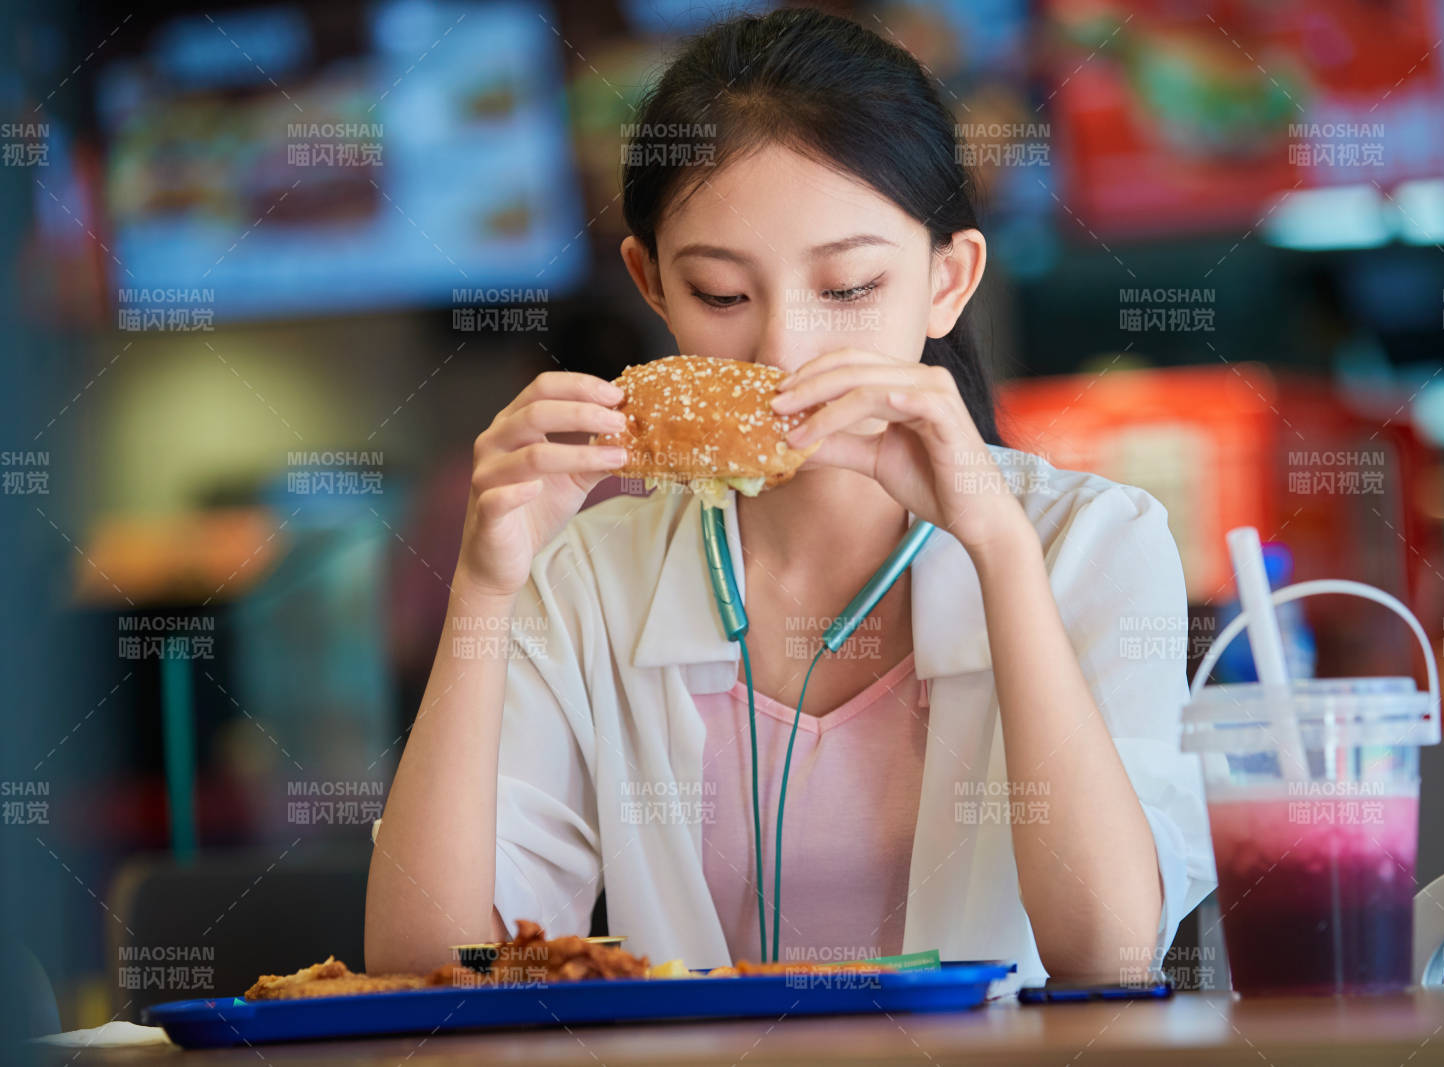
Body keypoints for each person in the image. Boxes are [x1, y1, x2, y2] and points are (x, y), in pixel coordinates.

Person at [366, 7, 1213, 983]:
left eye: (848, 286)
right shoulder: (589, 572)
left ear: (948, 280)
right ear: (651, 285)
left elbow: (1105, 950)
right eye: (723, 296)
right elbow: (431, 966)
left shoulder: (1093, 541)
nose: (783, 352)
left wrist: (998, 548)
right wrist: (481, 585)